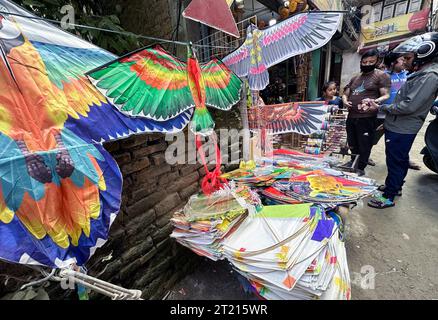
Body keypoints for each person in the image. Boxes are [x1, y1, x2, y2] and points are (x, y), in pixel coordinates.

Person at [366, 32, 438, 209]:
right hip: (398, 124)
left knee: (396, 161)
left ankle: (388, 197)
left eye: (407, 57)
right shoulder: (423, 74)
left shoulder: (429, 76)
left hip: (403, 127)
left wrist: (381, 108)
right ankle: (394, 186)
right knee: (397, 159)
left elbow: (408, 106)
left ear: (425, 53)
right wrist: (389, 120)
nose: (404, 61)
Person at [342, 49, 391, 176]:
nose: (367, 64)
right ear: (361, 62)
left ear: (377, 61)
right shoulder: (355, 77)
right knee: (352, 141)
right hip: (352, 115)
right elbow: (346, 93)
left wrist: (374, 102)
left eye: (371, 62)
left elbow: (386, 95)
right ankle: (353, 161)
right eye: (364, 62)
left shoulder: (381, 75)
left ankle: (361, 167)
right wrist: (345, 101)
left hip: (367, 117)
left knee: (364, 143)